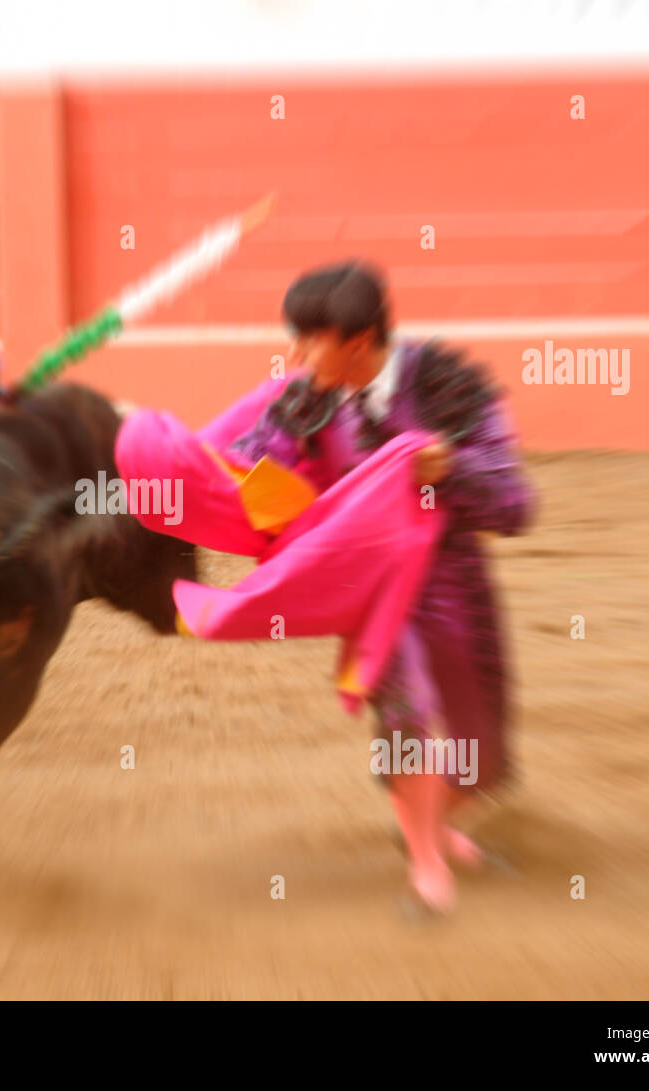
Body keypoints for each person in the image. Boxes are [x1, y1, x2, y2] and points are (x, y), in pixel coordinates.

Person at [116, 260, 536, 914]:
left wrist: (448, 466)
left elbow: (514, 502)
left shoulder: (447, 387)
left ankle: (431, 825)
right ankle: (428, 868)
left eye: (310, 340)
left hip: (455, 586)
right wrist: (165, 456)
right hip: (373, 591)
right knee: (408, 709)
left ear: (359, 343)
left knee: (484, 756)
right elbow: (251, 477)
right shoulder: (304, 399)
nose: (295, 355)